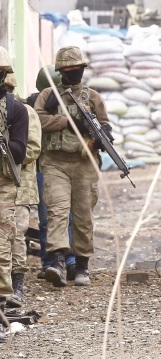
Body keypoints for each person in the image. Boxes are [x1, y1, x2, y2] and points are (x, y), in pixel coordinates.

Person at [34, 46, 110, 287]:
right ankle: (56, 260)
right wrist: (68, 122)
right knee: (57, 211)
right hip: (55, 162)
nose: (73, 73)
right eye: (68, 70)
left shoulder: (93, 97)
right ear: (60, 72)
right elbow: (37, 119)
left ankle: (81, 265)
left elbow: (105, 124)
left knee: (83, 216)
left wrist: (103, 135)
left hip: (84, 164)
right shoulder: (49, 95)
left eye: (77, 69)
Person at [29, 65, 77, 281]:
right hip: (42, 167)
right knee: (47, 218)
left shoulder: (75, 103)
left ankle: (70, 261)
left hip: (64, 166)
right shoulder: (32, 105)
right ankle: (49, 261)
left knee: (67, 215)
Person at [3, 73, 41, 308]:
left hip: (20, 185)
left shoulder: (23, 112)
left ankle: (16, 285)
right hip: (6, 183)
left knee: (15, 236)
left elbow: (32, 148)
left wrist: (8, 153)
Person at [0, 46, 29, 343]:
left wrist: (3, 141)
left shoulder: (16, 110)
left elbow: (20, 152)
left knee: (0, 250)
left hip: (3, 186)